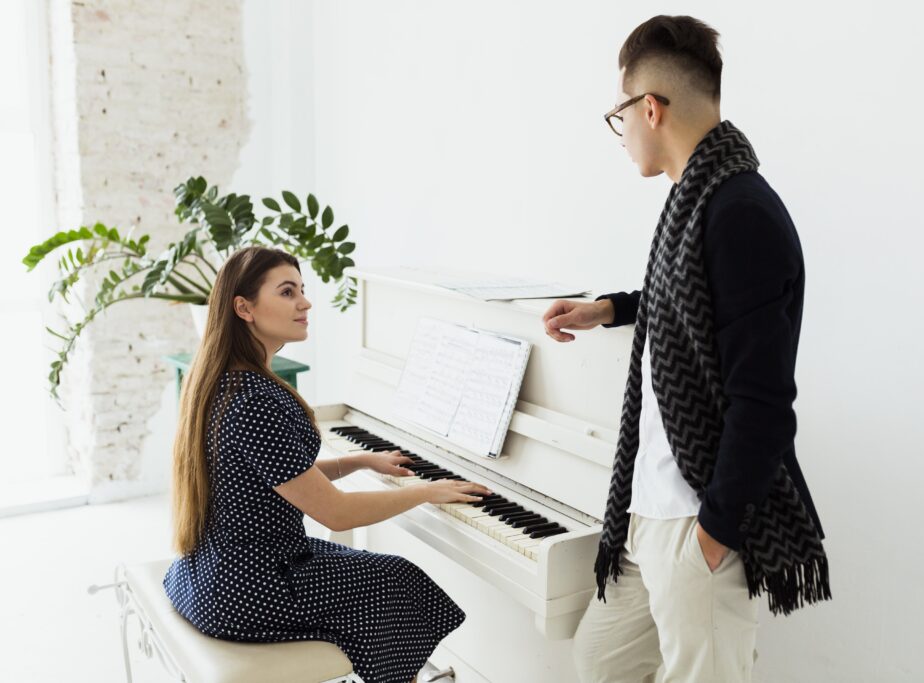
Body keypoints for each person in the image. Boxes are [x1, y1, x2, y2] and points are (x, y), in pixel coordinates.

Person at [541, 16, 831, 683]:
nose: (623, 135)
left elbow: (764, 403)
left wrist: (714, 533)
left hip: (694, 520)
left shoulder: (741, 211)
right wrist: (610, 308)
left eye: (620, 116)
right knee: (600, 662)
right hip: (646, 508)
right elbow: (690, 300)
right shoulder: (697, 197)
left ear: (650, 107)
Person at [164, 245, 490, 683]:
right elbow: (333, 512)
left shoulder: (224, 380)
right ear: (244, 307)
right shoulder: (257, 400)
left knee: (373, 574)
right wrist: (428, 491)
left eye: (302, 289)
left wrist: (358, 460)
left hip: (210, 575)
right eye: (287, 292)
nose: (305, 302)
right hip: (252, 589)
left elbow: (279, 476)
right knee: (397, 579)